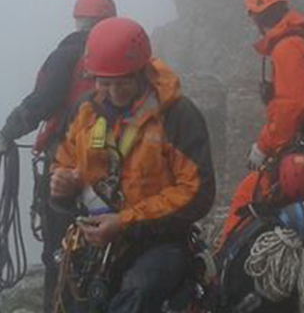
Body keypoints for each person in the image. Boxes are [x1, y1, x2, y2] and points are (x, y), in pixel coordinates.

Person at [50, 17, 215, 313]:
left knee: (138, 293)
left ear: (141, 73)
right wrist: (64, 185)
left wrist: (125, 222)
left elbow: (197, 192)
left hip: (159, 241)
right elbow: (63, 162)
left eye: (122, 83)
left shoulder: (177, 116)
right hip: (95, 241)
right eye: (105, 83)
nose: (113, 93)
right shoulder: (85, 111)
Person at [0, 0, 116, 312]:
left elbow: (42, 101)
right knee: (103, 240)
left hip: (65, 159)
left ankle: (60, 304)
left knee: (60, 245)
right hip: (112, 163)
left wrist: (6, 134)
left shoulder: (67, 55)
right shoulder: (120, 59)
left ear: (79, 21)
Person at [218, 0, 304, 245]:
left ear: (256, 17)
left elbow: (293, 106)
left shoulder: (287, 47)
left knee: (248, 192)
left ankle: (226, 255)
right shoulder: (301, 37)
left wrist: (263, 146)